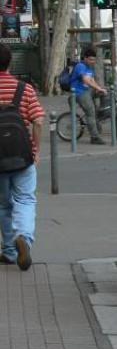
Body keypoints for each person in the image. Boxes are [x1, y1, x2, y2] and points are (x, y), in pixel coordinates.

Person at [0, 44, 44, 270]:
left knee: (3, 205)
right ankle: (24, 238)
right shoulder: (24, 89)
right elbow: (37, 120)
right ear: (9, 63)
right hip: (22, 156)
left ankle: (8, 251)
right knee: (25, 200)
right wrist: (36, 150)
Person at [70, 48, 107, 145]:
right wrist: (97, 88)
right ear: (85, 58)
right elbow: (86, 80)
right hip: (79, 92)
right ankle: (94, 137)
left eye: (94, 60)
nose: (92, 62)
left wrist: (99, 88)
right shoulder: (80, 66)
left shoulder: (90, 68)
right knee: (90, 112)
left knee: (105, 96)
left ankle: (97, 120)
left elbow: (92, 80)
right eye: (90, 59)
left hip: (87, 90)